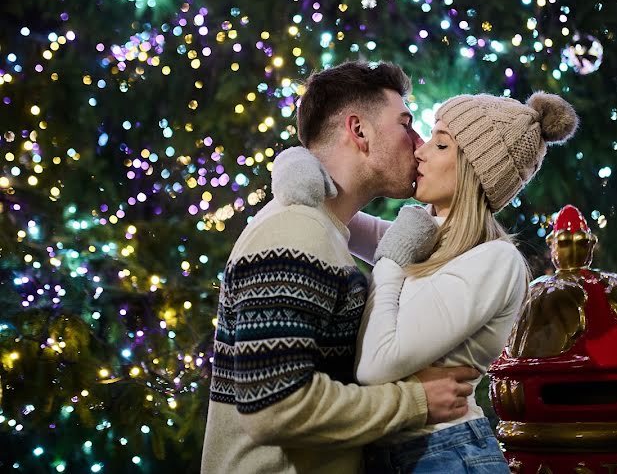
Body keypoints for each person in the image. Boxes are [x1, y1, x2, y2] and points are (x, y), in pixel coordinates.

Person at [273, 91, 579, 472]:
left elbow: (376, 366)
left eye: (440, 143)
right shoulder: (428, 237)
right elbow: (335, 208)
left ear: (473, 169)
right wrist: (292, 160)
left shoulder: (493, 261)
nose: (420, 150)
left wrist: (389, 262)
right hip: (393, 451)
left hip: (447, 454)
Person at [201, 61, 479, 474]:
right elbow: (274, 407)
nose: (419, 144)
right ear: (359, 131)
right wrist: (416, 402)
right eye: (405, 124)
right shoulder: (296, 231)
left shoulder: (324, 228)